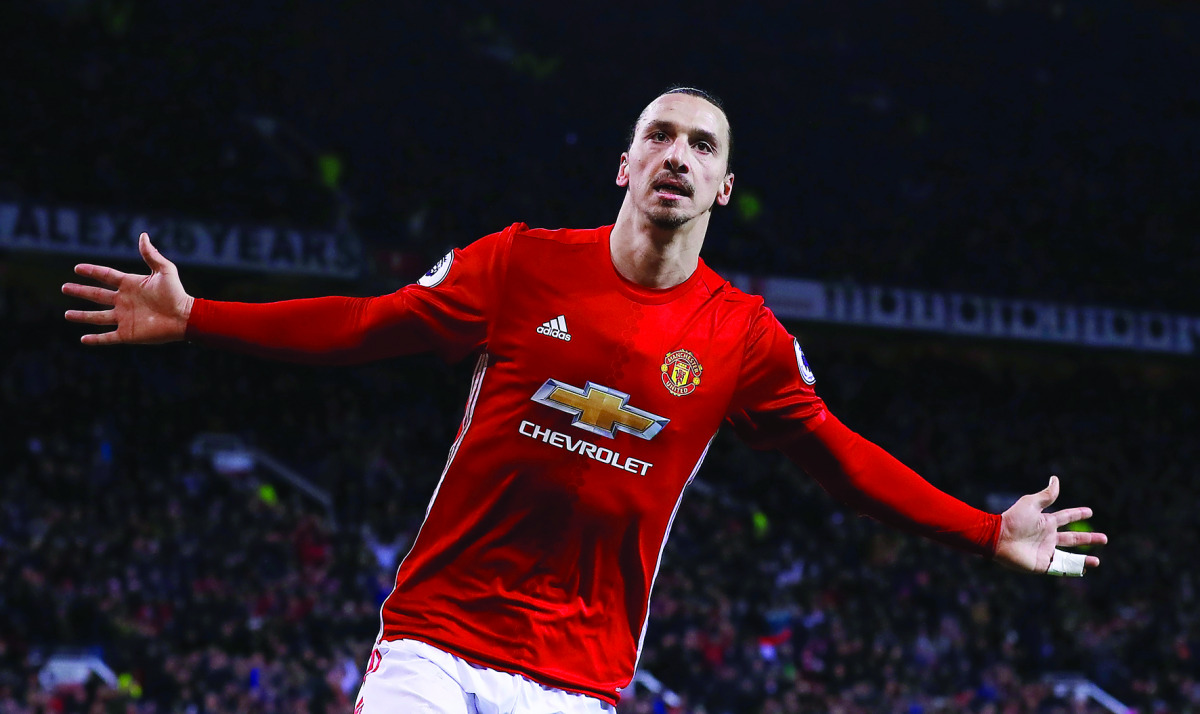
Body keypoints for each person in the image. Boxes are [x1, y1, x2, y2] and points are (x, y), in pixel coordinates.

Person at [63, 87, 1107, 714]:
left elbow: (838, 457)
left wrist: (984, 531)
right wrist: (203, 317)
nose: (677, 155)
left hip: (578, 679)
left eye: (702, 146)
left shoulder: (742, 338)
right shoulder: (519, 264)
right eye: (660, 135)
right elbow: (370, 325)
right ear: (624, 162)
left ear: (724, 188)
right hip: (435, 641)